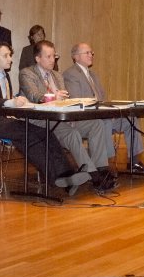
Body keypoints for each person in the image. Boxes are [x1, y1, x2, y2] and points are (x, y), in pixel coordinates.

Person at [0, 41, 89, 195]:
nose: (10, 59)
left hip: (4, 120)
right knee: (31, 135)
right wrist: (10, 102)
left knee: (45, 132)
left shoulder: (4, 75)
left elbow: (2, 100)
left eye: (10, 55)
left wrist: (17, 101)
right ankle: (58, 177)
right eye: (5, 56)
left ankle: (67, 174)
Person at [18, 40, 115, 192]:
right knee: (72, 134)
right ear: (38, 58)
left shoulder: (57, 75)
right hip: (41, 121)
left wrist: (68, 104)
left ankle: (101, 169)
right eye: (48, 57)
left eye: (54, 56)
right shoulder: (27, 73)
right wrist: (53, 96)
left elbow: (65, 100)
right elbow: (34, 95)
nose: (53, 60)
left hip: (61, 118)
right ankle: (93, 175)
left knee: (96, 124)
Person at [64, 42, 144, 172]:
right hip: (85, 119)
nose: (91, 55)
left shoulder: (93, 75)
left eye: (91, 52)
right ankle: (106, 164)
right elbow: (76, 100)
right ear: (75, 56)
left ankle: (134, 161)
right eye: (87, 53)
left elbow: (102, 98)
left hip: (102, 114)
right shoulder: (70, 74)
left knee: (130, 119)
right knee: (105, 122)